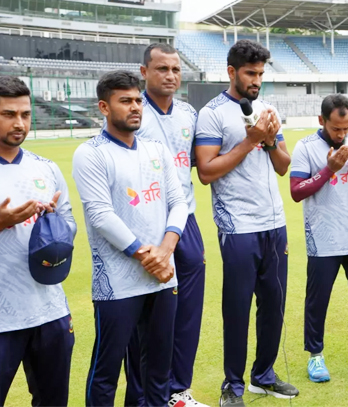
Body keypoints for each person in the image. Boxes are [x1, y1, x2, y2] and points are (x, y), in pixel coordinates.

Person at [74, 70, 188, 406]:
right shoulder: (91, 153)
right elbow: (101, 216)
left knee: (158, 370)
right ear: (104, 107)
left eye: (138, 100)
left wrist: (165, 251)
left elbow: (178, 202)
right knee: (107, 371)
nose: (135, 107)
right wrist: (146, 255)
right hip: (118, 284)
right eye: (125, 101)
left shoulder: (155, 149)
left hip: (163, 279)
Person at [194, 39, 298, 406]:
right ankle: (233, 385)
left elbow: (284, 166)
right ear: (231, 72)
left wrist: (269, 142)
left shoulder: (268, 108)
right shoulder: (212, 113)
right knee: (237, 307)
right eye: (250, 73)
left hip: (274, 224)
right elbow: (206, 172)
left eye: (260, 74)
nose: (256, 80)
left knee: (274, 303)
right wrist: (251, 140)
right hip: (237, 226)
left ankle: (264, 376)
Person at [122, 43, 208, 407]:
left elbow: (191, 167)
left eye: (175, 69)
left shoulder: (189, 113)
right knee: (144, 315)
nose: (170, 76)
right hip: (145, 223)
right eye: (161, 69)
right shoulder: (132, 111)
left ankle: (178, 392)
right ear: (144, 72)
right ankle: (142, 396)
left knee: (187, 312)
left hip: (185, 220)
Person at [289, 94, 348, 382]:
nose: (341, 135)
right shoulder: (305, 147)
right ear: (321, 121)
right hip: (323, 239)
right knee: (318, 300)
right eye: (335, 129)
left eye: (345, 128)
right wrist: (329, 169)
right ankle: (315, 356)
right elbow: (296, 191)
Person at [0, 76, 76, 406]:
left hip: (49, 310)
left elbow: (70, 227)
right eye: (8, 114)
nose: (19, 123)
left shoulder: (46, 168)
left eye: (26, 114)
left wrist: (54, 224)